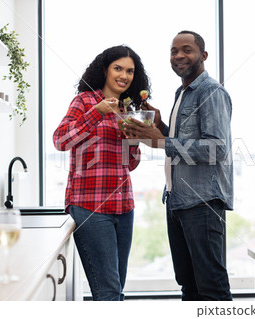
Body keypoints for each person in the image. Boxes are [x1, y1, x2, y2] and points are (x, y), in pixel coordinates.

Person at [124, 31, 233, 301]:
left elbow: (217, 149)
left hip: (202, 202)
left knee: (211, 287)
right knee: (189, 285)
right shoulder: (182, 92)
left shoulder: (211, 92)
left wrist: (160, 141)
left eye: (187, 50)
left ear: (203, 56)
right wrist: (160, 126)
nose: (179, 56)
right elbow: (182, 140)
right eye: (174, 51)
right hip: (177, 200)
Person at [53, 45, 150, 301]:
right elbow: (60, 140)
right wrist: (97, 113)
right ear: (105, 70)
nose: (124, 75)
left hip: (124, 207)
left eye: (130, 71)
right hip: (90, 207)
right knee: (107, 291)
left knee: (116, 289)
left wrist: (134, 141)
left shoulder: (127, 110)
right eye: (118, 68)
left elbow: (128, 165)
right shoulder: (84, 101)